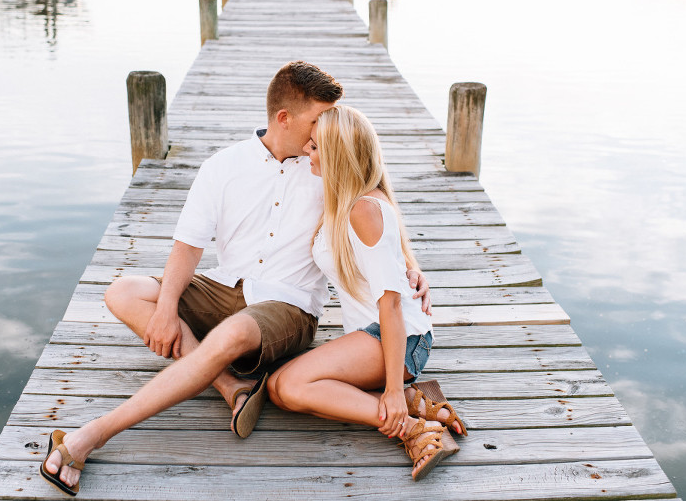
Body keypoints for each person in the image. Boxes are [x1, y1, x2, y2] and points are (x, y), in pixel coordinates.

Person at [39, 62, 431, 496]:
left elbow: (375, 205)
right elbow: (188, 245)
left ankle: (93, 434)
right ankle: (230, 385)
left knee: (238, 339)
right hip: (225, 285)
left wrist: (409, 269)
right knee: (123, 292)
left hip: (289, 304)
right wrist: (166, 309)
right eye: (317, 121)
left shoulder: (326, 164)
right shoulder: (224, 165)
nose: (324, 131)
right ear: (284, 118)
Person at [267, 105, 468, 481]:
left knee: (292, 385)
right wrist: (413, 270)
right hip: (377, 335)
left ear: (337, 155)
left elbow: (390, 304)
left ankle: (414, 427)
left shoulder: (362, 209)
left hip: (398, 339)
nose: (307, 152)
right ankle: (418, 402)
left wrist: (391, 388)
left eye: (314, 147)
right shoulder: (347, 199)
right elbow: (392, 259)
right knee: (278, 390)